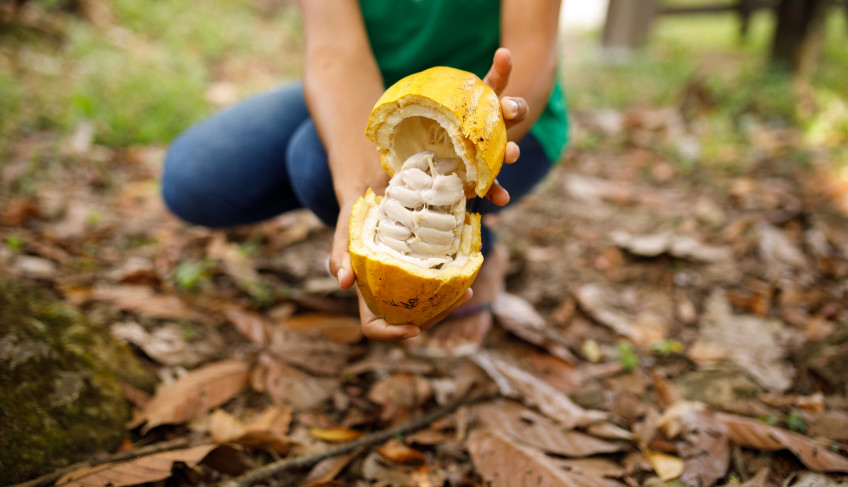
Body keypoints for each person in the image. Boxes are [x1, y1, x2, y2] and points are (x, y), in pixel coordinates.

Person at [161, 0, 568, 354]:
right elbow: (336, 51)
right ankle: (448, 236)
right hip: (372, 85)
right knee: (195, 178)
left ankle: (477, 246)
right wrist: (358, 186)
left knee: (313, 161)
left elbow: (531, 51)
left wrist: (483, 135)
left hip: (495, 109)